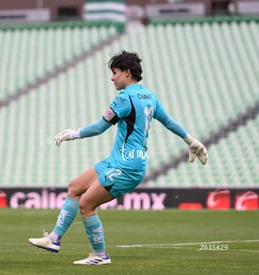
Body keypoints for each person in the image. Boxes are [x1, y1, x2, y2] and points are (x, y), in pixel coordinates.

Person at [29, 51, 208, 265]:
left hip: (127, 166)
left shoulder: (124, 98)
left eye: (115, 73)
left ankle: (99, 255)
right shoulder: (150, 96)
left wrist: (73, 133)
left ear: (127, 72)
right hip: (119, 160)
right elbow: (169, 122)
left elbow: (99, 127)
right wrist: (191, 141)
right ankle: (54, 239)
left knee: (86, 205)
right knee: (75, 186)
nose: (112, 78)